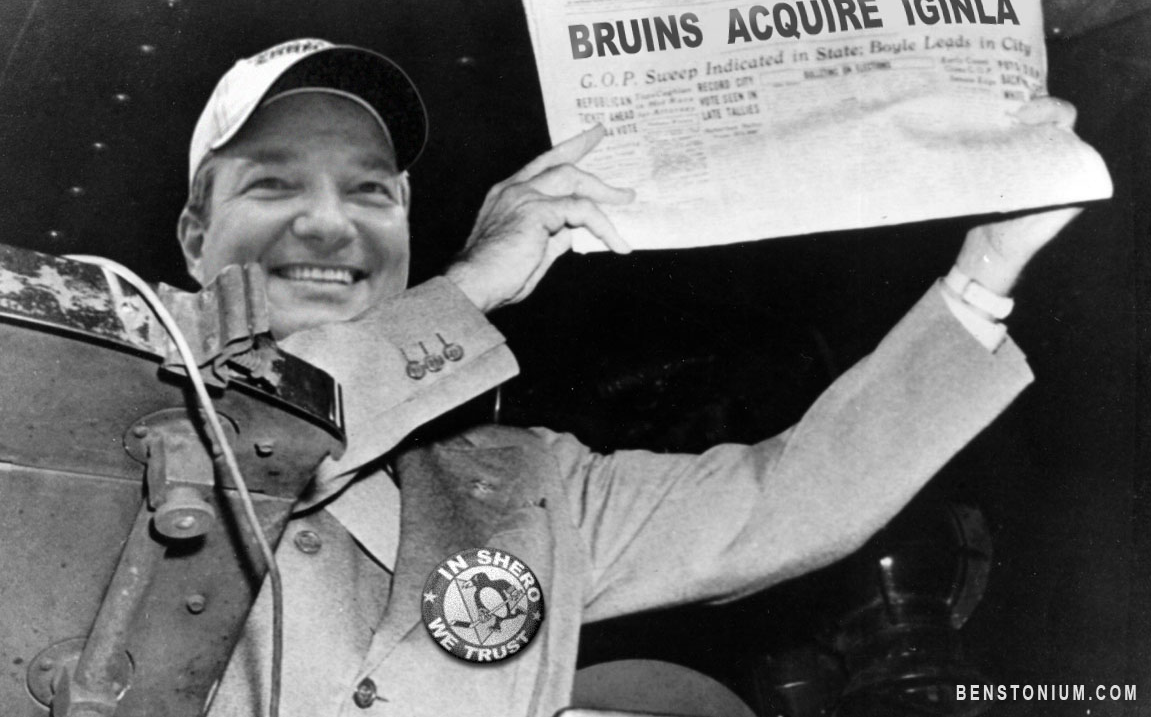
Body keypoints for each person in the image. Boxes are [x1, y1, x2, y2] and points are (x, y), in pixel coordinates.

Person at [178, 38, 1081, 717]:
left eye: (370, 191)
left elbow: (781, 502)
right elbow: (259, 444)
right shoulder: (127, 397)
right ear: (192, 236)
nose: (329, 225)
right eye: (273, 186)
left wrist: (987, 266)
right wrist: (467, 291)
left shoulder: (517, 480)